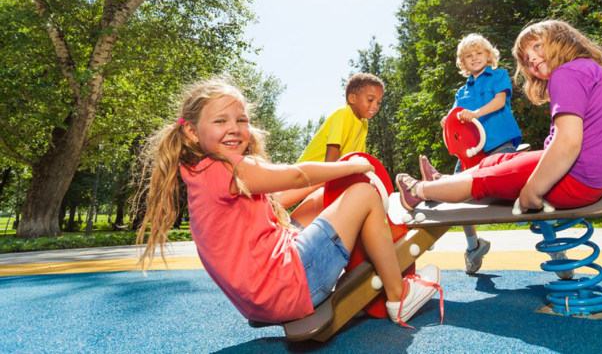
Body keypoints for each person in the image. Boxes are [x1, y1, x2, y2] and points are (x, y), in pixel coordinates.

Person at [135, 79, 441, 327]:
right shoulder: (229, 168)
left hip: (260, 301)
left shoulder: (200, 172)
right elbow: (297, 175)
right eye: (220, 120)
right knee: (363, 193)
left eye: (241, 120)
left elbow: (278, 200)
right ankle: (398, 296)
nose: (234, 127)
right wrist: (353, 167)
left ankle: (358, 258)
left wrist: (328, 182)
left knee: (322, 196)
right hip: (291, 288)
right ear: (191, 131)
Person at [398, 20, 602, 278]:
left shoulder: (565, 74)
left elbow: (567, 143)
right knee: (492, 164)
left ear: (563, 39)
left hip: (574, 179)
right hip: (591, 178)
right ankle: (443, 182)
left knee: (484, 178)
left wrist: (533, 188)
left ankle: (418, 190)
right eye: (526, 57)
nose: (531, 58)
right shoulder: (596, 73)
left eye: (536, 46)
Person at [418, 33, 522, 275]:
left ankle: (554, 247)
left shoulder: (498, 76)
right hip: (470, 151)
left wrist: (475, 113)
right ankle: (473, 246)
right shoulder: (462, 91)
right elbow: (454, 116)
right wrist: (448, 120)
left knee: (518, 188)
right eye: (468, 56)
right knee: (455, 195)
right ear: (462, 63)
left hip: (499, 144)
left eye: (478, 53)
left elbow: (499, 102)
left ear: (488, 56)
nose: (474, 58)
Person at [289, 73, 385, 226]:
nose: (375, 106)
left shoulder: (363, 124)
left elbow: (357, 158)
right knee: (281, 200)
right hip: (309, 172)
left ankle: (297, 228)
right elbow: (332, 154)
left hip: (329, 174)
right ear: (352, 98)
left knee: (331, 197)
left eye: (379, 102)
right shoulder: (343, 113)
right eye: (370, 100)